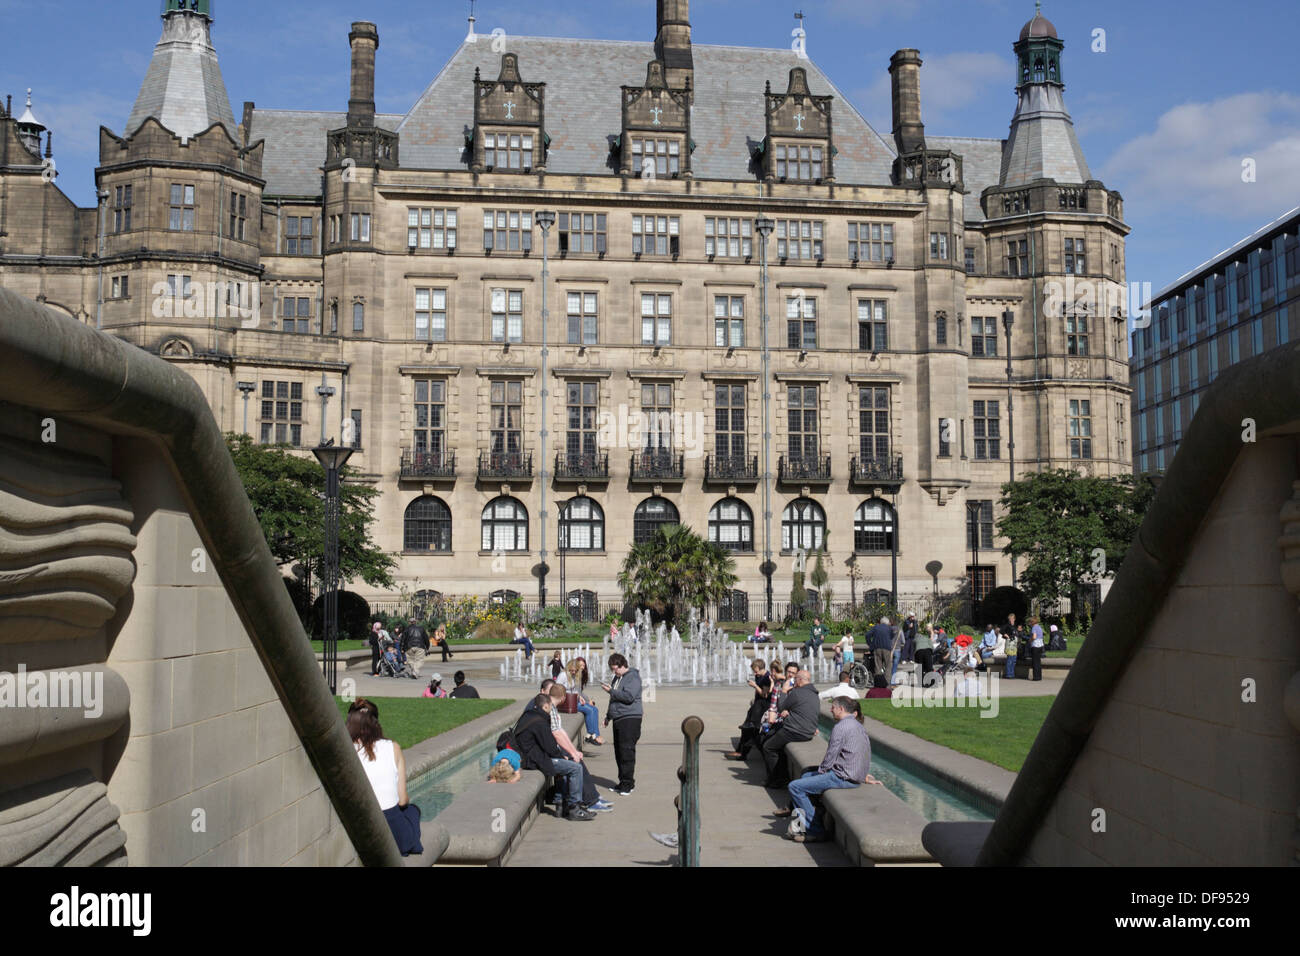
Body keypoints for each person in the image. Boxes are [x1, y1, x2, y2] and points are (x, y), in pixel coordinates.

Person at [783, 697, 871, 843]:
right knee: (806, 774)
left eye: (833, 707)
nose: (831, 710)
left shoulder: (841, 727)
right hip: (852, 775)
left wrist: (821, 772)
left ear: (841, 709)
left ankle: (815, 829)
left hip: (842, 777)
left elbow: (831, 755)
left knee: (795, 787)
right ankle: (806, 819)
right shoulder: (857, 725)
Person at [348, 698, 423, 855]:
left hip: (359, 828)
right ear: (376, 723)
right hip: (392, 832)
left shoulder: (345, 751)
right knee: (413, 811)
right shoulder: (392, 748)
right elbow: (402, 801)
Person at [527, 680, 612, 813]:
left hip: (545, 749)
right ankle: (587, 801)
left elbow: (559, 731)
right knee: (574, 764)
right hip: (540, 753)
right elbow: (556, 734)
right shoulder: (543, 707)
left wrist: (573, 751)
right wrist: (571, 753)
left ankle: (592, 797)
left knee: (576, 759)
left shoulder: (548, 707)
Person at [514, 693, 595, 821]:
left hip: (528, 757)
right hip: (534, 760)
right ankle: (575, 808)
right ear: (546, 706)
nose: (551, 709)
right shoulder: (540, 722)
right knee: (575, 768)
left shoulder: (528, 715)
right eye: (550, 706)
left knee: (564, 766)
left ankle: (560, 804)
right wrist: (563, 757)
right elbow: (551, 747)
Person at [760, 669, 820, 789]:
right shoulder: (814, 694)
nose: (794, 682)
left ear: (800, 680)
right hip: (807, 731)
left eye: (795, 679)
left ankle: (776, 780)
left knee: (768, 747)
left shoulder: (797, 693)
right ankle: (781, 776)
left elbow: (781, 706)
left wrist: (784, 691)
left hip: (794, 731)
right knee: (775, 742)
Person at [601, 653, 642, 795]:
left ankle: (628, 784)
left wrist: (611, 691)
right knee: (619, 752)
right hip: (618, 717)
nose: (614, 672)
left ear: (622, 665)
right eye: (612, 669)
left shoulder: (633, 677)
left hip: (630, 718)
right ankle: (623, 781)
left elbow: (629, 697)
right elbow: (614, 700)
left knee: (627, 751)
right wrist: (608, 717)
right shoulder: (617, 678)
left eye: (615, 669)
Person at [726, 659, 773, 759]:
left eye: (756, 671)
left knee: (751, 729)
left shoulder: (766, 678)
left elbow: (765, 695)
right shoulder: (759, 676)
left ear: (762, 668)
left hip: (763, 706)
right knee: (746, 728)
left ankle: (743, 753)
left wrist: (755, 685)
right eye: (754, 671)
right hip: (757, 705)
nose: (755, 673)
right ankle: (740, 751)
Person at [560, 656, 604, 745]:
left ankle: (593, 735)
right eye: (572, 670)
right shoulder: (563, 675)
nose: (573, 672)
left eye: (575, 670)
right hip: (566, 703)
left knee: (594, 709)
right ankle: (593, 734)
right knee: (590, 710)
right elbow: (557, 688)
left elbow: (576, 690)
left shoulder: (575, 676)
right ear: (568, 667)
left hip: (573, 700)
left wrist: (580, 697)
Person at [869, 617, 893, 685]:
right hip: (887, 649)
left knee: (878, 666)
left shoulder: (876, 627)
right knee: (888, 666)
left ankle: (878, 684)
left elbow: (867, 635)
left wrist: (870, 644)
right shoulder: (889, 628)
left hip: (877, 648)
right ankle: (887, 683)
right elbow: (892, 636)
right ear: (887, 622)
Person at [915, 621, 935, 686]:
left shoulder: (916, 637)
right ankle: (932, 682)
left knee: (919, 667)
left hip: (919, 651)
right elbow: (931, 644)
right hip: (927, 650)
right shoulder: (928, 636)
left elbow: (913, 647)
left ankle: (920, 683)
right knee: (929, 667)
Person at [1029, 616, 1045, 681]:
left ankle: (1036, 677)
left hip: (1035, 645)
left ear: (1032, 622)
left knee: (1035, 662)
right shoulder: (1039, 627)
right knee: (1038, 662)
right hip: (1040, 645)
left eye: (1030, 622)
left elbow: (1034, 637)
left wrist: (1030, 640)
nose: (1029, 623)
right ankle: (1039, 676)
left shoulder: (1034, 628)